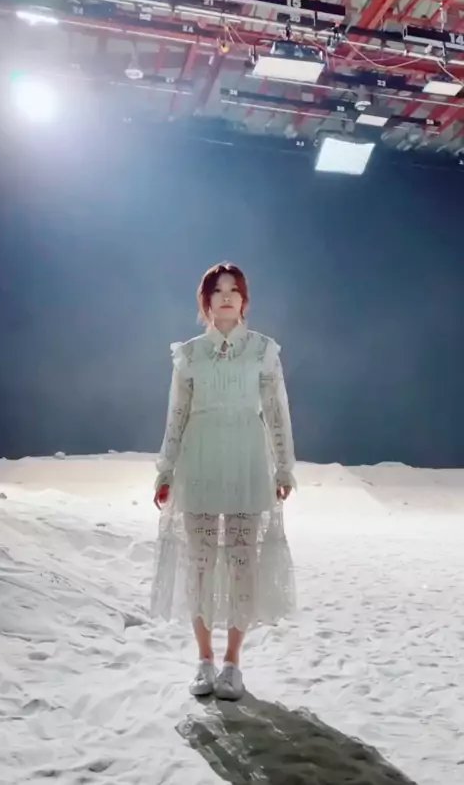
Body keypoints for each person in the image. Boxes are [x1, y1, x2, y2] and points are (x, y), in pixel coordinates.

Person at [150, 263, 296, 701]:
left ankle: (233, 662)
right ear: (206, 301)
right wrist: (165, 469)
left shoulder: (263, 350)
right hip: (199, 458)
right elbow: (176, 414)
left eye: (235, 290)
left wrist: (284, 466)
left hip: (247, 459)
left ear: (245, 300)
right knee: (198, 562)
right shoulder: (190, 354)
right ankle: (204, 659)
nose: (227, 296)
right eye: (218, 290)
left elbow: (276, 410)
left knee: (240, 561)